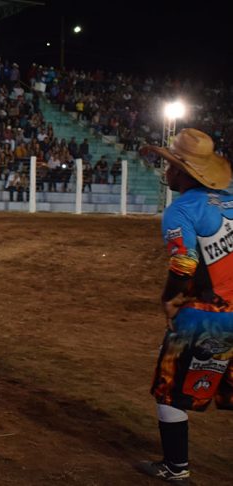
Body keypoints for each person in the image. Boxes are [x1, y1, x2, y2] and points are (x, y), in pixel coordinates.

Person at [136, 128, 233, 484]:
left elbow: (184, 264)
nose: (166, 171)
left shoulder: (181, 210)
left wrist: (169, 299)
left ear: (182, 171)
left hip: (206, 316)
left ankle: (176, 467)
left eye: (170, 165)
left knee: (169, 389)